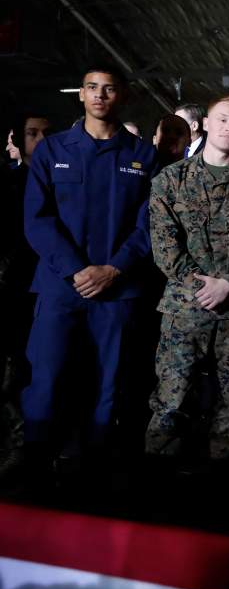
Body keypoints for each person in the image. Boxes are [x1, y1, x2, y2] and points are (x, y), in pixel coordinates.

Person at [22, 66, 158, 466]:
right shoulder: (53, 150)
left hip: (118, 290)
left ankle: (96, 463)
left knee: (109, 381)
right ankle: (36, 461)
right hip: (60, 286)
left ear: (123, 97)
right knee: (48, 376)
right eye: (92, 88)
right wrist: (74, 270)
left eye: (109, 89)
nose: (100, 95)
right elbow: (37, 219)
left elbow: (149, 224)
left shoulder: (142, 156)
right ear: (81, 94)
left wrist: (115, 269)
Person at [145, 95, 229, 462]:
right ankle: (158, 472)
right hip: (185, 308)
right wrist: (200, 285)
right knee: (172, 395)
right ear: (203, 125)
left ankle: (222, 483)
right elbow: (164, 245)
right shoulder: (171, 180)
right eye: (222, 120)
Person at [0, 114, 51, 478]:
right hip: (13, 289)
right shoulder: (8, 182)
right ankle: (17, 445)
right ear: (18, 138)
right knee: (13, 372)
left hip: (50, 286)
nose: (40, 139)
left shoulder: (59, 181)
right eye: (32, 133)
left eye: (46, 133)